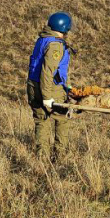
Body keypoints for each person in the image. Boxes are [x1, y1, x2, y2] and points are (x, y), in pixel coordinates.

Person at [26, 11, 73, 161]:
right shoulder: (55, 46)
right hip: (50, 89)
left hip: (33, 86)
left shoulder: (42, 39)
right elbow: (47, 72)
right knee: (62, 119)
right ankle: (60, 155)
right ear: (65, 28)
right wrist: (47, 97)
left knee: (41, 120)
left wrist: (67, 86)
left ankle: (42, 158)